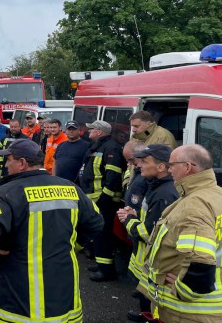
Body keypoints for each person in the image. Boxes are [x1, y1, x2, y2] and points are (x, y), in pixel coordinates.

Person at [0, 139, 104, 323]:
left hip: (16, 295)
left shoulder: (7, 192)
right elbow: (96, 222)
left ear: (22, 163)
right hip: (62, 292)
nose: (6, 164)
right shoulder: (70, 188)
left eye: (9, 159)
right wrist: (73, 245)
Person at [139, 144, 222, 322]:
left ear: (187, 167)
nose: (169, 170)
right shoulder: (216, 194)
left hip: (187, 313)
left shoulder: (194, 205)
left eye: (172, 165)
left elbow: (200, 260)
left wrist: (184, 289)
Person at [116, 144, 178, 323]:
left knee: (154, 303)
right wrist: (136, 215)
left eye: (144, 161)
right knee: (147, 297)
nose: (139, 164)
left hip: (154, 261)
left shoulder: (163, 194)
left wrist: (128, 219)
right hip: (147, 261)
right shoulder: (157, 187)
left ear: (160, 167)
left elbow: (150, 233)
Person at [78, 120, 126, 282]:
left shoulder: (111, 148)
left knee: (103, 235)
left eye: (91, 129)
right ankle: (101, 264)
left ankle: (107, 271)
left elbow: (112, 178)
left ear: (99, 132)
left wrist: (104, 199)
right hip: (95, 199)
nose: (88, 131)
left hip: (104, 201)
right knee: (98, 235)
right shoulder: (99, 146)